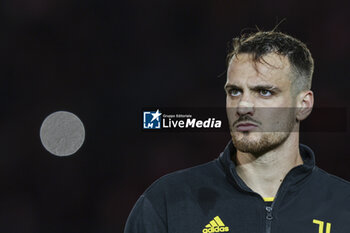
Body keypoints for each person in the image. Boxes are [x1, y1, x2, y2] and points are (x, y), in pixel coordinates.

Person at [124, 30, 350, 233]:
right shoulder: (167, 202)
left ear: (303, 104)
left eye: (264, 92)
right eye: (234, 92)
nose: (243, 106)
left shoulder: (343, 206)